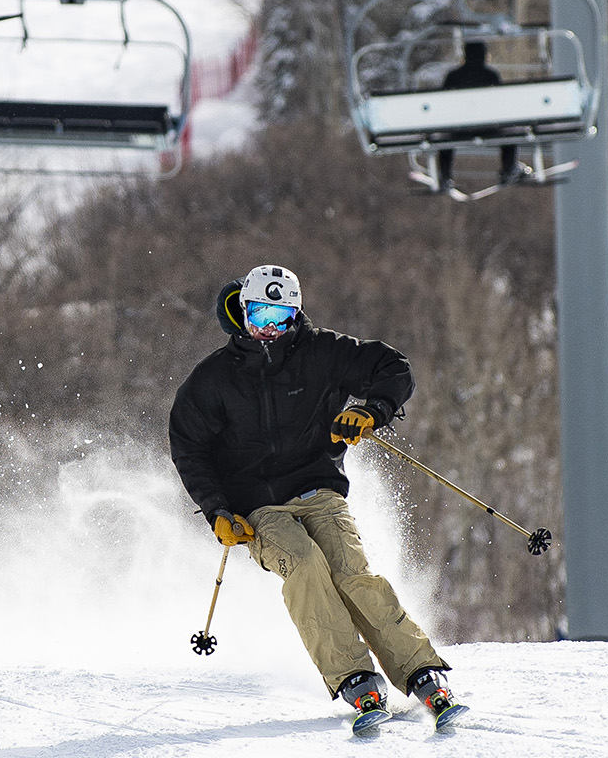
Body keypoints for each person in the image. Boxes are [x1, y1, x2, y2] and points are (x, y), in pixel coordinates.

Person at [168, 265, 461, 733]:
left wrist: (371, 410)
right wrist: (218, 510)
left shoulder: (322, 352)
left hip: (319, 490)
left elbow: (393, 368)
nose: (269, 328)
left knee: (350, 571)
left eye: (281, 318)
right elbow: (189, 447)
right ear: (242, 310)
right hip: (257, 508)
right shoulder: (214, 379)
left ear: (296, 316)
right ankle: (355, 677)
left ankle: (420, 671)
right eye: (260, 313)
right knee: (304, 563)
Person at [435, 41, 522, 191]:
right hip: (488, 127)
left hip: (458, 129)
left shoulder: (453, 76)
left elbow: (444, 102)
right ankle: (508, 168)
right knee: (510, 135)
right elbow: (499, 102)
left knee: (445, 140)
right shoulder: (491, 75)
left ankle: (444, 175)